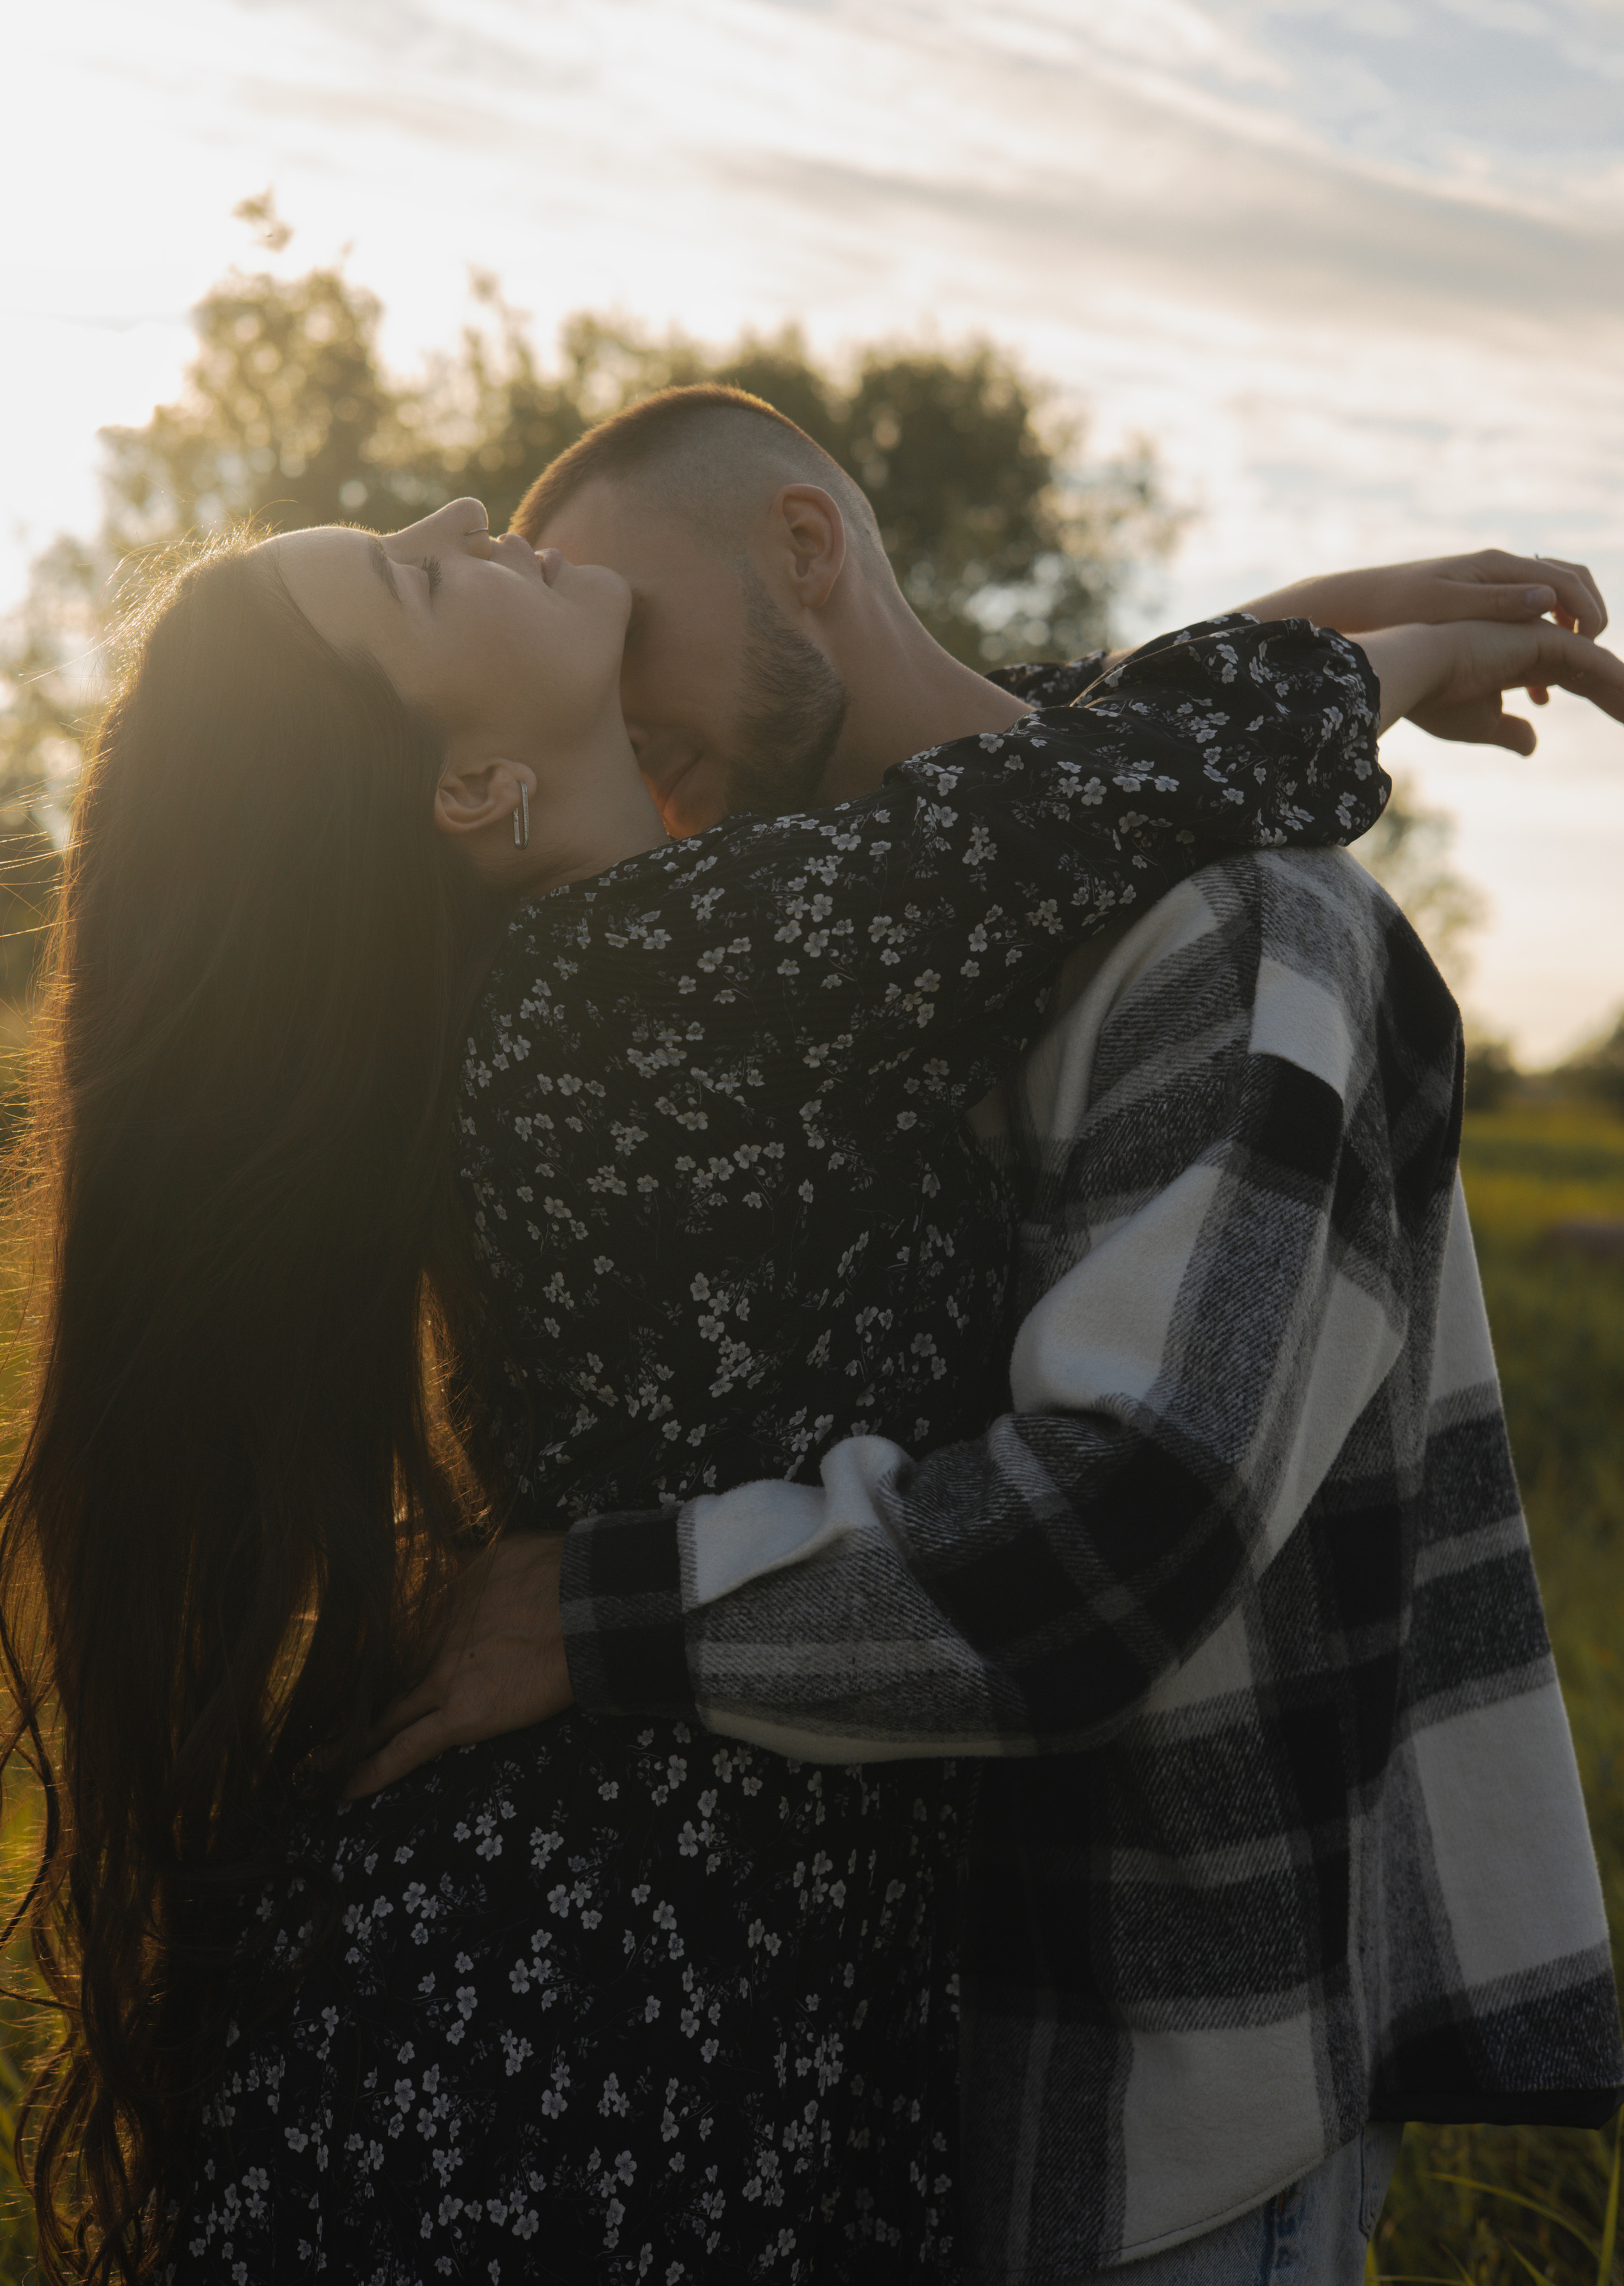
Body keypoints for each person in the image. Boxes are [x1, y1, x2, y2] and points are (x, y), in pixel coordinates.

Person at [344, 391, 1624, 2285]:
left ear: (803, 554)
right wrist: (1317, 644)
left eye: (629, 619)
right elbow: (1028, 785)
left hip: (1168, 2109)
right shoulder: (861, 949)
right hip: (892, 2082)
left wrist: (587, 1608)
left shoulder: (1239, 932)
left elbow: (1119, 1537)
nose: (620, 714)